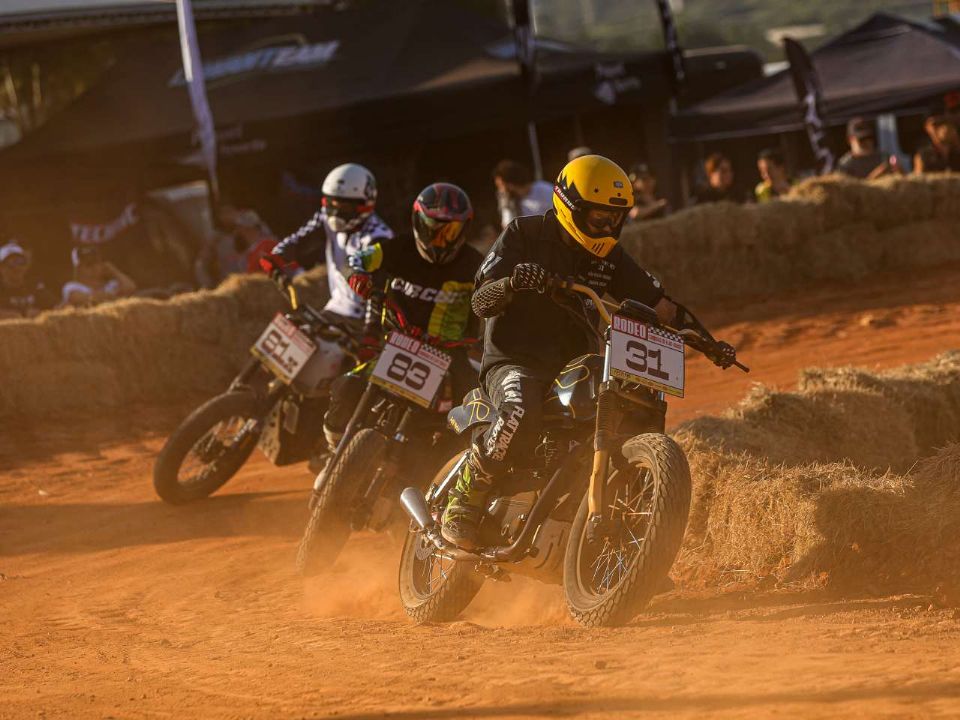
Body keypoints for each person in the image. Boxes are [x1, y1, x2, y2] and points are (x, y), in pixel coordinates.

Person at [440, 155, 737, 549]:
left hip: (576, 362)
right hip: (514, 359)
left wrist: (707, 341)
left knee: (633, 412)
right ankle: (466, 497)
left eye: (616, 218)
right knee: (519, 411)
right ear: (570, 207)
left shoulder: (608, 256)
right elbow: (480, 301)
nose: (609, 227)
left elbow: (662, 306)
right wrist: (513, 282)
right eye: (600, 219)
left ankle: (633, 544)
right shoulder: (523, 234)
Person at [321, 182, 483, 448]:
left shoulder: (476, 264)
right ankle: (333, 448)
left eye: (450, 231)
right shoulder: (397, 247)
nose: (440, 239)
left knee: (470, 420)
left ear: (465, 228)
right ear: (418, 222)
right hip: (398, 343)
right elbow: (354, 261)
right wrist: (357, 276)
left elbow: (497, 295)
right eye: (433, 229)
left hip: (450, 354)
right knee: (346, 387)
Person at [266, 163, 394, 333]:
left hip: (362, 321)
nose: (335, 213)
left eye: (344, 207)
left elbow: (378, 291)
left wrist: (371, 329)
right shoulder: (325, 217)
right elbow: (299, 238)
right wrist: (277, 257)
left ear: (365, 204)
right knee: (291, 333)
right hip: (334, 310)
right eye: (331, 204)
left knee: (325, 354)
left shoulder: (378, 238)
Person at [62, 245, 137, 307]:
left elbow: (131, 287)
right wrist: (113, 295)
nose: (94, 268)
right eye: (89, 264)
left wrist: (115, 271)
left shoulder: (111, 284)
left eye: (96, 262)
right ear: (78, 269)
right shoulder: (72, 287)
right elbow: (81, 298)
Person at [0, 241, 55, 320]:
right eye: (11, 263)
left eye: (21, 262)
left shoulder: (34, 287)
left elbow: (57, 307)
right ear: (1, 267)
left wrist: (41, 314)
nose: (17, 268)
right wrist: (22, 314)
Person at [492, 159, 554, 229]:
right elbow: (508, 228)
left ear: (511, 183)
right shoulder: (511, 202)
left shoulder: (544, 189)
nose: (500, 190)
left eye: (501, 185)